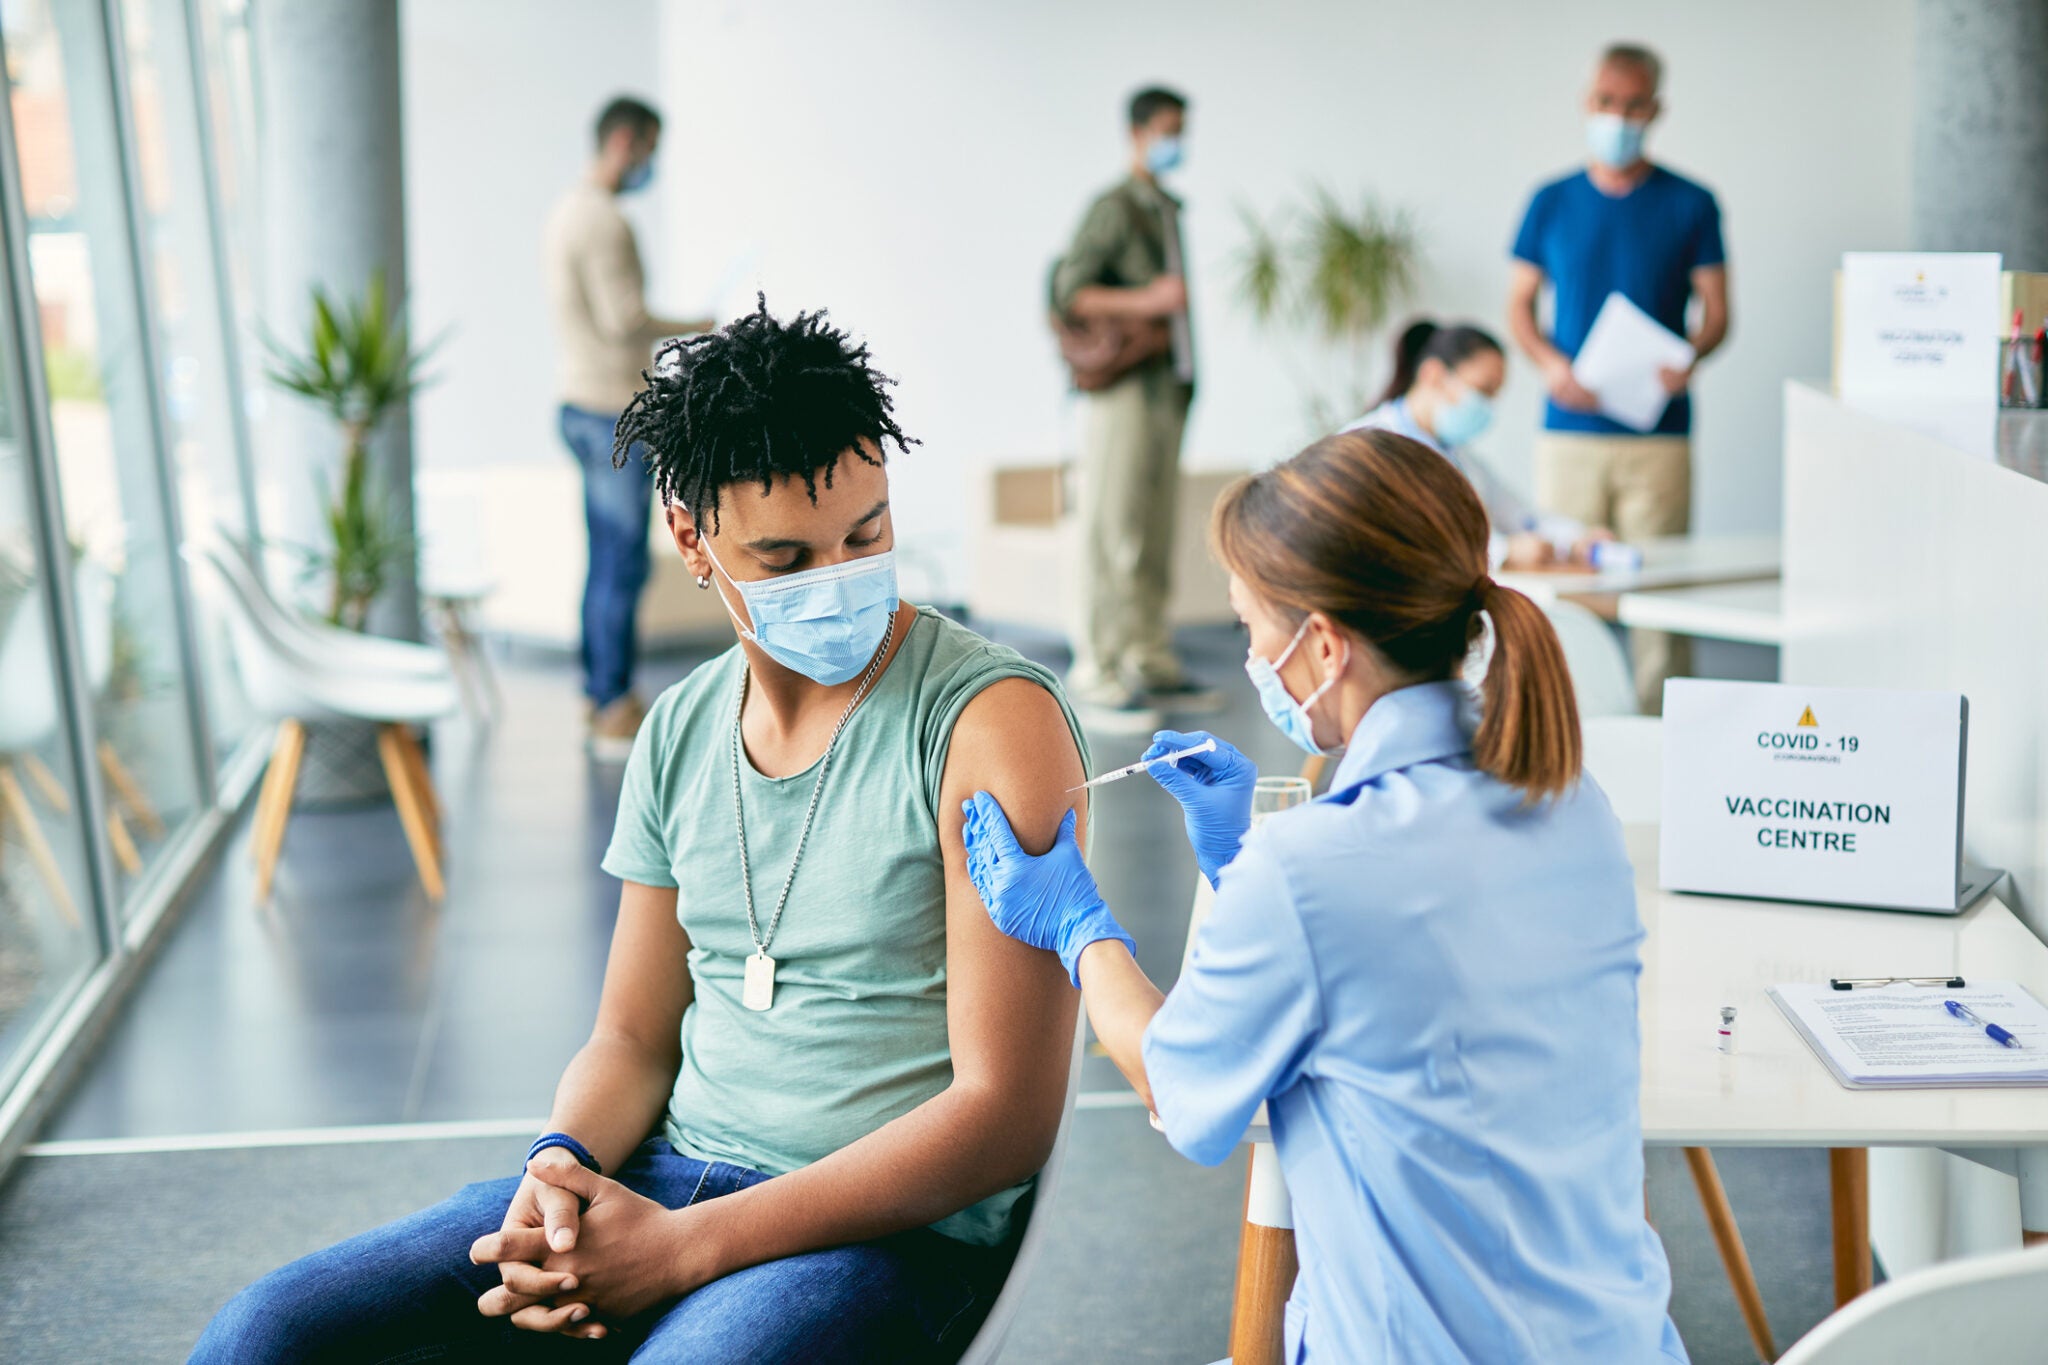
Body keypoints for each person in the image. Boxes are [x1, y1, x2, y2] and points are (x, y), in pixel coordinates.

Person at [191, 302, 1089, 1364]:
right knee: (269, 1335)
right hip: (665, 1178)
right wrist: (560, 1173)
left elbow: (1004, 1117)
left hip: (878, 1232)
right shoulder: (677, 730)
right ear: (687, 536)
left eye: (866, 534)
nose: (838, 580)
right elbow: (628, 1037)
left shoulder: (992, 724)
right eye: (783, 555)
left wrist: (682, 1250)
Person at [962, 428, 1687, 1363]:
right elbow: (1404, 970)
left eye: (1254, 630)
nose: (1252, 655)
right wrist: (1244, 869)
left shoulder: (1310, 868)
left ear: (1325, 645)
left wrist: (1076, 920)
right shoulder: (1574, 804)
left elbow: (1177, 1089)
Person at [1506, 42, 1729, 714]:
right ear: (1588, 102)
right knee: (1564, 592)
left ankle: (1662, 730)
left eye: (1634, 105)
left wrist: (1689, 357)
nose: (1619, 116)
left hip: (1655, 435)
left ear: (1656, 108)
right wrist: (1552, 365)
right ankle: (1565, 729)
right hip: (1570, 431)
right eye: (1607, 102)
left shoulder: (1692, 203)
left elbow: (1716, 312)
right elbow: (1518, 305)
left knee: (1661, 591)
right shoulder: (1549, 201)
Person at [544, 95, 714, 757]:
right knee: (620, 564)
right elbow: (623, 318)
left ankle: (600, 694)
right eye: (648, 148)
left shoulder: (564, 212)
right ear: (623, 141)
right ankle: (614, 706)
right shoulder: (606, 221)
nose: (651, 164)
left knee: (603, 561)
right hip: (613, 410)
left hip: (577, 404)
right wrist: (695, 325)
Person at [1051, 85, 1221, 732]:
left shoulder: (1166, 207)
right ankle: (1096, 671)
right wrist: (1147, 301)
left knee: (1151, 531)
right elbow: (1071, 290)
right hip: (1122, 392)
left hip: (1166, 392)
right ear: (1138, 133)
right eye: (1169, 129)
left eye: (1183, 129)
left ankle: (1149, 660)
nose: (1178, 142)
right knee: (1109, 529)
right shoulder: (1116, 207)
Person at [1344, 318, 1612, 571]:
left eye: (1494, 395)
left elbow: (1520, 516)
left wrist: (1575, 537)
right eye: (1483, 390)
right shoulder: (1363, 445)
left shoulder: (1459, 457)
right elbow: (1406, 542)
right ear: (1434, 375)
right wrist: (1504, 552)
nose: (1487, 408)